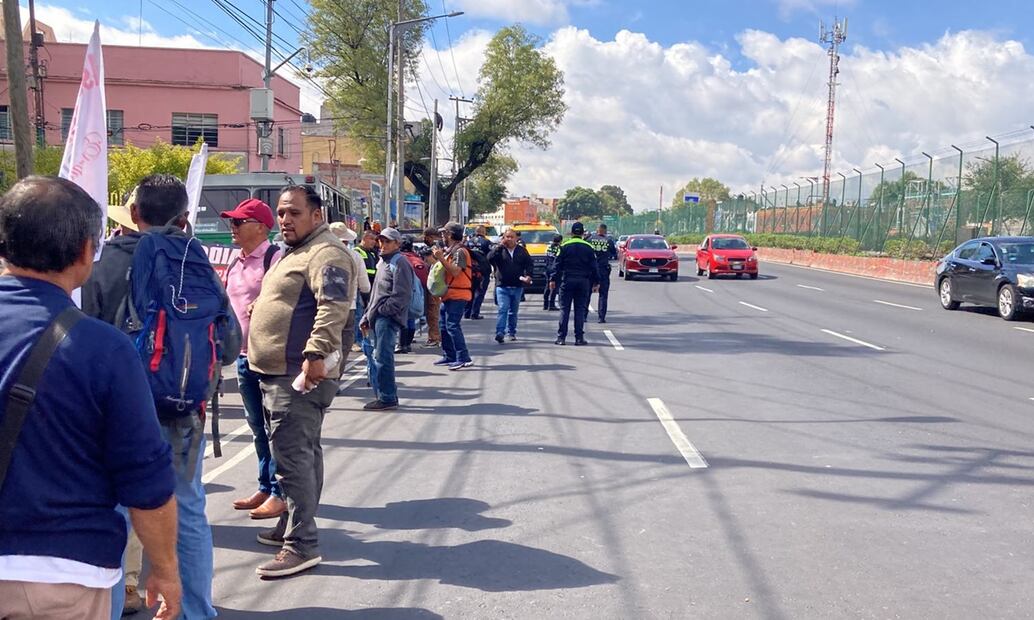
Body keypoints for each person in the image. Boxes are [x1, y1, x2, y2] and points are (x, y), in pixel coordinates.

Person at [0, 176, 181, 620]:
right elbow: (145, 478)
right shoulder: (103, 348)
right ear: (85, 251)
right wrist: (165, 567)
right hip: (59, 575)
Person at [83, 174, 239, 619]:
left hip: (116, 415)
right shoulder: (197, 262)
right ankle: (196, 611)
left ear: (134, 214)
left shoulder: (105, 262)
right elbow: (229, 344)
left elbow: (82, 338)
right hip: (183, 413)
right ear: (185, 218)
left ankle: (111, 609)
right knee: (187, 511)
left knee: (114, 514)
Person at [248, 185, 354, 578]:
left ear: (317, 215)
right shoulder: (297, 251)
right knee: (301, 454)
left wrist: (314, 355)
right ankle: (290, 526)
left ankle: (301, 545)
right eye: (280, 212)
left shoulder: (326, 252)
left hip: (298, 375)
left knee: (293, 461)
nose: (285, 219)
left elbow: (333, 307)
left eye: (294, 212)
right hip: (278, 371)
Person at [219, 199, 286, 520]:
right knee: (257, 427)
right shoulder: (235, 262)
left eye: (238, 222)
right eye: (231, 222)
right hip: (243, 358)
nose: (232, 228)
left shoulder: (276, 259)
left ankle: (279, 492)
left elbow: (286, 301)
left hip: (270, 359)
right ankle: (265, 484)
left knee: (276, 429)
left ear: (260, 227)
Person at [359, 228, 414, 410]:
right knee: (379, 357)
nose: (382, 244)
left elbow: (402, 295)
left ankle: (387, 398)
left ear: (397, 244)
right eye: (381, 241)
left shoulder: (400, 262)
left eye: (387, 241)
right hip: (378, 316)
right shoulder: (383, 262)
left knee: (383, 358)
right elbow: (376, 294)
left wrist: (383, 311)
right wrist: (367, 315)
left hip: (387, 318)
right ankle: (386, 396)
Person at [432, 222, 474, 370]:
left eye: (444, 233)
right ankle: (449, 355)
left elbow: (456, 271)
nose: (442, 236)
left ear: (449, 234)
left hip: (458, 293)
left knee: (452, 326)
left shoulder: (460, 251)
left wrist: (441, 258)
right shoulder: (451, 250)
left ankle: (463, 357)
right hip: (449, 293)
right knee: (443, 326)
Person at [551, 221, 599, 346]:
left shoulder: (564, 246)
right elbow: (594, 267)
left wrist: (552, 279)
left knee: (564, 310)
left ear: (571, 233)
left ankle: (561, 338)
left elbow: (557, 265)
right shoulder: (589, 247)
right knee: (580, 310)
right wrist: (596, 282)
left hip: (567, 280)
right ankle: (579, 338)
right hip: (583, 282)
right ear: (583, 233)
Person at [330, 222, 371, 366]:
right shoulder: (355, 257)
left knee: (327, 343)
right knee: (344, 344)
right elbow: (365, 286)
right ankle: (337, 372)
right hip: (348, 307)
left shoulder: (318, 255)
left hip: (324, 308)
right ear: (347, 241)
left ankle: (327, 373)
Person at [488, 229, 533, 343]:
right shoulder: (500, 250)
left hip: (517, 286)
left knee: (513, 312)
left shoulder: (521, 251)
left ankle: (511, 332)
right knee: (503, 309)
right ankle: (500, 332)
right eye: (507, 237)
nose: (509, 239)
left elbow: (529, 264)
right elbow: (489, 258)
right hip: (502, 286)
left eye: (511, 237)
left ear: (516, 238)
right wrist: (499, 247)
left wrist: (528, 275)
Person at [397, 237, 429, 354]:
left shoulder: (398, 259)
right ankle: (408, 344)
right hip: (416, 293)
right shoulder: (418, 259)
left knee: (402, 319)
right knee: (411, 318)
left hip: (401, 292)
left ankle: (402, 345)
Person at [586, 223, 618, 323]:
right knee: (603, 294)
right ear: (605, 230)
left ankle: (583, 316)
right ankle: (601, 317)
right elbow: (614, 254)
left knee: (587, 293)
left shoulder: (590, 239)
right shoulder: (608, 240)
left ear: (597, 230)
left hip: (590, 269)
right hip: (603, 269)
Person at [421, 227, 443, 348]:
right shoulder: (439, 246)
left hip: (435, 285)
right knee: (434, 312)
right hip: (436, 284)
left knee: (433, 312)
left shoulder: (435, 248)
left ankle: (434, 338)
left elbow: (436, 264)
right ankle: (436, 337)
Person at [465, 226, 492, 319]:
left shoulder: (468, 242)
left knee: (470, 291)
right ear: (483, 232)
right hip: (483, 270)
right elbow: (491, 256)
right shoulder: (486, 242)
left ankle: (467, 312)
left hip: (470, 270)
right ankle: (474, 313)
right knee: (480, 292)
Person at [543, 234, 562, 311]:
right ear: (560, 241)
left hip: (547, 268)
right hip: (555, 269)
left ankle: (545, 304)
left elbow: (546, 257)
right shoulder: (559, 248)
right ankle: (551, 305)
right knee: (554, 287)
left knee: (547, 286)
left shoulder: (548, 247)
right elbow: (558, 260)